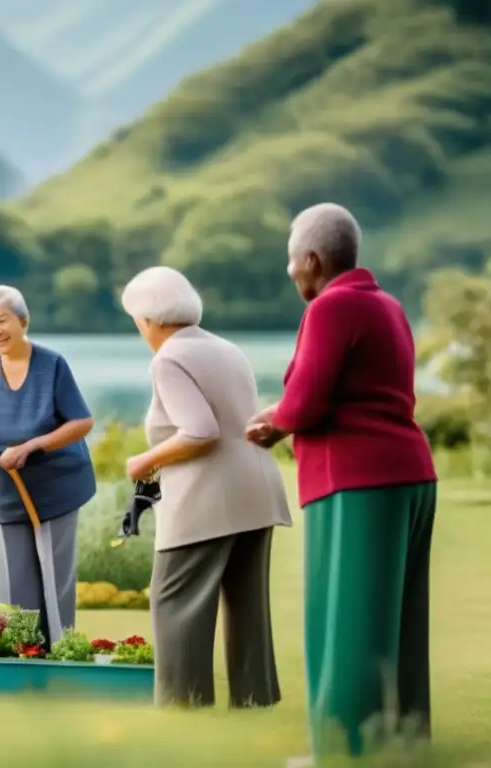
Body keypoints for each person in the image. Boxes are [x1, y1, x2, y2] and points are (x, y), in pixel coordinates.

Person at [246, 203, 437, 761]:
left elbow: (306, 403)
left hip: (355, 481)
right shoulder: (388, 306)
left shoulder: (331, 308)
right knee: (397, 624)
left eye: (290, 261)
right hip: (409, 475)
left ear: (310, 260)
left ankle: (346, 751)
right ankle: (399, 744)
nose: (289, 272)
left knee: (348, 623)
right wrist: (283, 412)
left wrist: (271, 424)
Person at [121, 266, 292, 708]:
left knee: (174, 600)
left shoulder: (170, 358)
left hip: (207, 497)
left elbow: (199, 431)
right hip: (256, 489)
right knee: (247, 605)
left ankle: (184, 703)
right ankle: (255, 700)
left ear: (147, 319)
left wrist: (145, 460)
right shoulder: (227, 348)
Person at [0, 285, 96, 647]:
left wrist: (33, 446)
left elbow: (81, 422)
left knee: (54, 578)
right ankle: (24, 654)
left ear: (23, 320)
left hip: (55, 488)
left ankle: (63, 651)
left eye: (2, 320)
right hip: (4, 490)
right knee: (14, 582)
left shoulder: (52, 364)